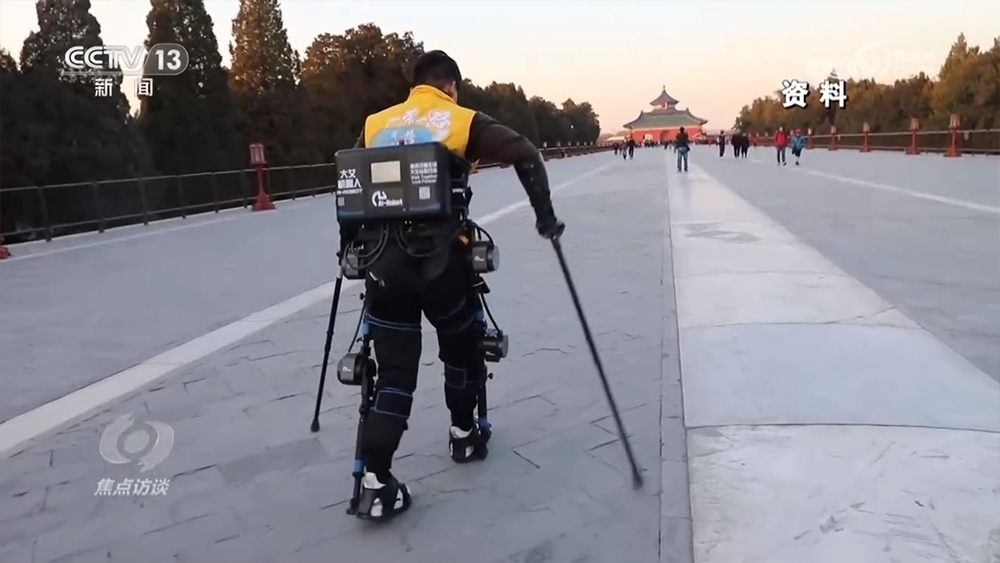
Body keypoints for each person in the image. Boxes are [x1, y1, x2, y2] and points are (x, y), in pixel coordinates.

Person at [343, 50, 564, 521]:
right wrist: (545, 219)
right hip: (442, 264)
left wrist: (349, 249)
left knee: (393, 374)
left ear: (413, 86)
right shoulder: (460, 119)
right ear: (451, 87)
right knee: (461, 352)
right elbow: (525, 153)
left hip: (384, 266)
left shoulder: (375, 124)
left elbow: (349, 185)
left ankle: (376, 483)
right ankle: (464, 434)